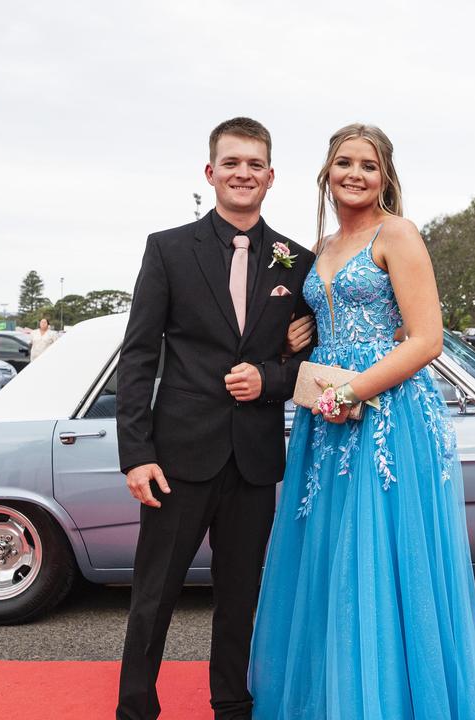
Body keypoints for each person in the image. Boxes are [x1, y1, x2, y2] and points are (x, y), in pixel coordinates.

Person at [249, 124, 475, 719]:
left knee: (383, 554)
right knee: (329, 555)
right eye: (343, 162)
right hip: (325, 418)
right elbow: (318, 321)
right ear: (326, 173)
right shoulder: (323, 247)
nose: (355, 174)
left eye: (369, 165)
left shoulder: (398, 233)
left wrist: (354, 390)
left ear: (386, 176)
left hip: (387, 418)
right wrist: (294, 341)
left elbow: (427, 338)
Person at [115, 117, 316, 720]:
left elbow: (308, 362)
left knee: (240, 596)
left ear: (271, 176)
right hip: (178, 457)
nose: (243, 174)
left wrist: (270, 379)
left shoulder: (296, 262)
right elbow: (140, 354)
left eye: (255, 164)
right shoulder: (168, 249)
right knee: (155, 593)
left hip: (253, 459)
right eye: (231, 163)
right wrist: (137, 453)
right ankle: (135, 708)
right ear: (211, 173)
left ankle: (232, 704)